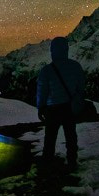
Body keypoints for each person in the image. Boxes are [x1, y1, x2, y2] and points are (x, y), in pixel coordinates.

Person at [36, 36, 85, 171]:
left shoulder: (46, 70)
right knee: (71, 136)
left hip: (52, 109)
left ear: (53, 51)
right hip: (69, 108)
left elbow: (42, 90)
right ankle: (72, 161)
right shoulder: (75, 67)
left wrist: (41, 107)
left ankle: (47, 162)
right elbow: (81, 88)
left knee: (50, 138)